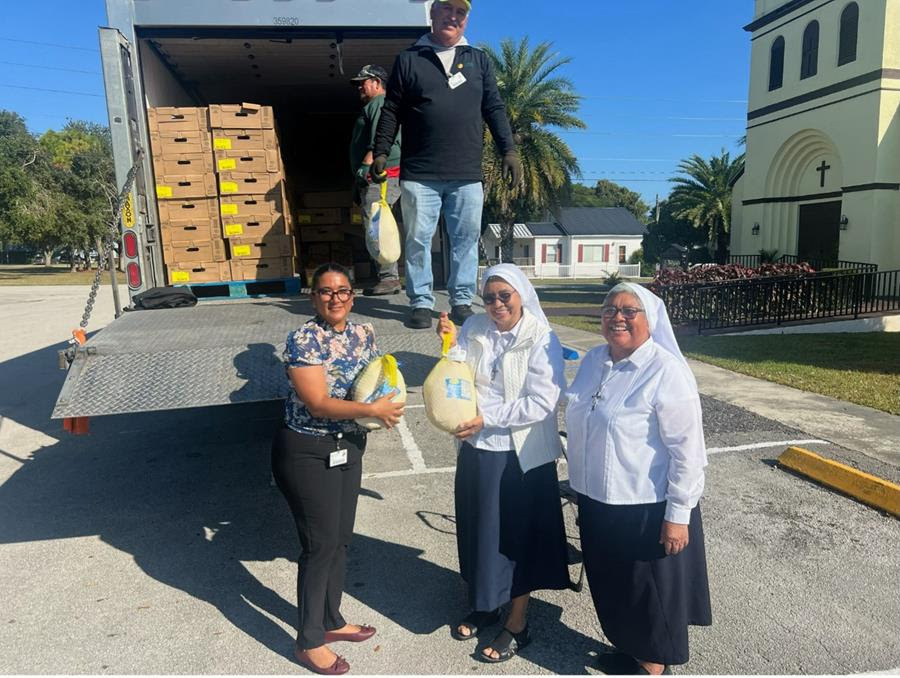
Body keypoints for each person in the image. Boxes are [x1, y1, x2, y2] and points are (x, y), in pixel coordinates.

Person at [564, 282, 712, 675]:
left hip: (645, 505)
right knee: (614, 584)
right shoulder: (594, 360)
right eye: (610, 309)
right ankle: (630, 648)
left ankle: (653, 664)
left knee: (648, 592)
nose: (618, 317)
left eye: (629, 311)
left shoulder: (666, 371)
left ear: (650, 320)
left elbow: (688, 452)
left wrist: (678, 514)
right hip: (597, 499)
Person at [271, 263, 405, 675]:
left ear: (352, 295)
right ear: (313, 297)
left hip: (348, 446)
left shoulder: (365, 333)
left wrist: (387, 399)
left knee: (341, 540)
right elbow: (317, 404)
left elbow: (375, 378)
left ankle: (331, 619)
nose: (335, 298)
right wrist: (372, 410)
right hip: (307, 450)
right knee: (320, 545)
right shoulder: (303, 339)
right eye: (326, 291)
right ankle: (309, 641)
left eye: (342, 290)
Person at [435, 263, 569, 663]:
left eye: (504, 296)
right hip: (477, 449)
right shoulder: (476, 326)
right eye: (489, 297)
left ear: (521, 295)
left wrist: (486, 417)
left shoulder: (541, 337)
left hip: (520, 457)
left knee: (516, 541)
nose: (496, 304)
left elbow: (542, 402)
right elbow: (457, 371)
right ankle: (485, 604)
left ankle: (517, 622)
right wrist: (448, 342)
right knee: (480, 533)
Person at [372, 0, 522, 330]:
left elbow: (494, 108)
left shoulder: (478, 60)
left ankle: (462, 301)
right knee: (418, 240)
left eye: (460, 12)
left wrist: (508, 150)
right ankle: (421, 302)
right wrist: (381, 150)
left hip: (466, 172)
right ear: (433, 13)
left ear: (466, 20)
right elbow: (392, 110)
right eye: (446, 10)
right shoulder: (409, 59)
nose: (452, 17)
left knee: (465, 240)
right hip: (419, 172)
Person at [348, 64, 403, 296]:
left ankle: (389, 278)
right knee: (376, 224)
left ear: (377, 83)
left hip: (381, 175)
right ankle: (387, 276)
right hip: (378, 175)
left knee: (378, 225)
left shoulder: (380, 103)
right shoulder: (375, 105)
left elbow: (380, 137)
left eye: (363, 82)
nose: (360, 87)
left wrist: (366, 165)